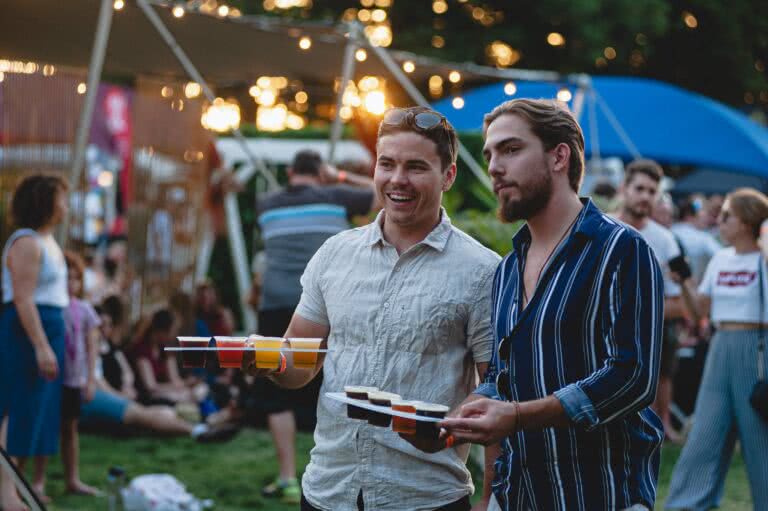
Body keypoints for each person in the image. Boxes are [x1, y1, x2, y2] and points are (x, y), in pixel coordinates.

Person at [245, 106, 501, 511]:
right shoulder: (334, 254)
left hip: (425, 496)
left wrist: (491, 500)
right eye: (387, 164)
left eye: (416, 167)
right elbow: (300, 362)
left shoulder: (482, 271)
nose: (397, 179)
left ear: (448, 176)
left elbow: (496, 396)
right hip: (330, 489)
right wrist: (265, 360)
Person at [438, 99, 664, 510]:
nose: (493, 167)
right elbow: (506, 379)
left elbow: (633, 377)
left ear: (559, 156)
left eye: (510, 149)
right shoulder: (508, 269)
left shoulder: (621, 249)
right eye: (490, 154)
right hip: (518, 493)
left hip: (599, 492)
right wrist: (459, 419)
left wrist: (519, 416)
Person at [251, 148, 378, 503]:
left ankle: (288, 477)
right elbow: (381, 193)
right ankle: (344, 472)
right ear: (319, 171)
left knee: (277, 392)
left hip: (276, 302)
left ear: (290, 171)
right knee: (338, 382)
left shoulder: (265, 203)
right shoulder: (338, 196)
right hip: (328, 303)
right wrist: (339, 176)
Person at [665, 188, 768, 511]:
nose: (718, 221)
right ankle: (687, 502)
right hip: (720, 345)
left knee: (759, 436)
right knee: (706, 430)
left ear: (748, 221)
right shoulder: (720, 259)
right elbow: (698, 313)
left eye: (727, 216)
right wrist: (683, 282)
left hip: (757, 348)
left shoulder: (764, 260)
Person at [0, 173, 70, 510]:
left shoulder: (48, 241)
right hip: (28, 333)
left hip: (49, 329)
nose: (66, 205)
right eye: (61, 198)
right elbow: (23, 299)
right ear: (45, 202)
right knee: (17, 409)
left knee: (33, 412)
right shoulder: (26, 242)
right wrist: (41, 345)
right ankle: (5, 492)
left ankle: (18, 485)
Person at [80, 297, 237, 443]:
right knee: (159, 411)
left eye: (107, 325)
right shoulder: (139, 351)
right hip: (131, 396)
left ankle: (208, 423)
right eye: (100, 326)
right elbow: (146, 386)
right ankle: (202, 429)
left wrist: (185, 386)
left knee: (197, 392)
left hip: (124, 395)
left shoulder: (115, 350)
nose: (104, 330)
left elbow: (127, 374)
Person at [615, 159, 686, 442]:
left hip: (646, 335)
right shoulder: (600, 227)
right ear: (624, 189)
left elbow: (677, 302)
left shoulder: (665, 240)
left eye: (651, 191)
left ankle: (657, 428)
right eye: (640, 189)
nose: (645, 196)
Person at [61, 251, 100, 496]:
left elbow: (91, 347)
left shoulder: (85, 310)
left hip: (74, 379)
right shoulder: (52, 308)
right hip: (53, 380)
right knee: (43, 430)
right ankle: (36, 480)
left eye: (76, 278)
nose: (71, 283)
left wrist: (90, 380)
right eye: (67, 278)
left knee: (70, 429)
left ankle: (72, 479)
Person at [671, 196, 721, 284]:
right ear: (689, 216)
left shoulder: (668, 231)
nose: (708, 219)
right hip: (691, 292)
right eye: (704, 215)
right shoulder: (704, 238)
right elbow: (721, 256)